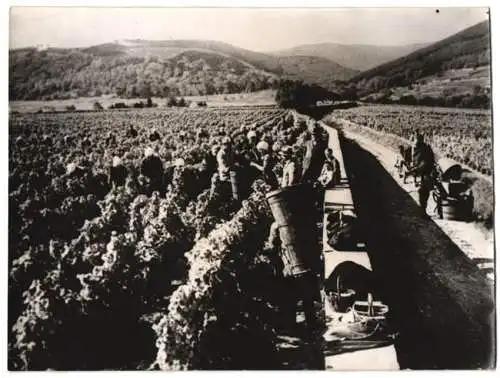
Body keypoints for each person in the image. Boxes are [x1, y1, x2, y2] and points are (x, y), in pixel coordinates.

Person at [407, 134, 436, 214]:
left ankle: (423, 210)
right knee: (422, 192)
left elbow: (426, 162)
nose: (415, 145)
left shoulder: (425, 149)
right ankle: (422, 209)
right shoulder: (416, 148)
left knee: (424, 191)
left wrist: (415, 169)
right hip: (421, 173)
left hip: (426, 172)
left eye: (417, 142)